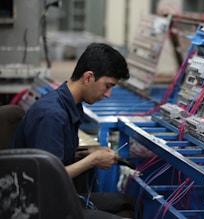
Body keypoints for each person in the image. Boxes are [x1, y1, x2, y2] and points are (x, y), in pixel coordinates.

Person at [13, 43, 135, 219]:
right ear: (88, 78)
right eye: (107, 86)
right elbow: (47, 177)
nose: (108, 94)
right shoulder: (52, 115)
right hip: (38, 205)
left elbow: (54, 159)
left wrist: (86, 154)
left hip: (56, 196)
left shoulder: (69, 105)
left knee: (130, 202)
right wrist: (92, 160)